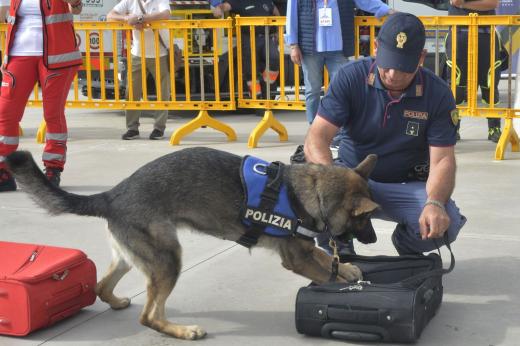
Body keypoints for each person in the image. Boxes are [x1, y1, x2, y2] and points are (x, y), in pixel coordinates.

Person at [304, 12, 467, 256]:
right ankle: (339, 246)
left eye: (403, 68)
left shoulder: (438, 94)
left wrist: (434, 203)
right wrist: (331, 182)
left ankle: (406, 244)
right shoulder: (350, 77)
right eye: (387, 63)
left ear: (421, 58)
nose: (393, 74)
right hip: (351, 179)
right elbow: (316, 138)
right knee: (311, 193)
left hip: (402, 184)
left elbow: (442, 159)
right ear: (377, 47)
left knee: (445, 224)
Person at [0, 0, 84, 192]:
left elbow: (77, 8)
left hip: (57, 58)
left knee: (52, 114)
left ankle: (53, 169)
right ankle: (4, 170)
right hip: (19, 54)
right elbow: (6, 16)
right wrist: (6, 57)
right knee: (5, 113)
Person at [285, 0, 394, 125]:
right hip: (311, 49)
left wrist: (386, 9)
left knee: (344, 88)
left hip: (337, 49)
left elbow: (365, 1)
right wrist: (293, 45)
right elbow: (291, 15)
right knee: (312, 90)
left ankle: (340, 128)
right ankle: (313, 128)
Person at [107, 0, 171, 140]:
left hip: (159, 53)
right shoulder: (130, 1)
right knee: (132, 92)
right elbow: (110, 15)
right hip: (137, 53)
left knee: (163, 92)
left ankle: (159, 128)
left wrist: (140, 18)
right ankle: (132, 128)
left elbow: (165, 14)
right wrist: (127, 18)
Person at [445, 0, 506, 143]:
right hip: (458, 33)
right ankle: (453, 128)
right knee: (456, 85)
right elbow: (455, 1)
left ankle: (494, 128)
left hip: (486, 34)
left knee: (489, 83)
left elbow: (492, 3)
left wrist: (463, 4)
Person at [212, 0, 280, 98]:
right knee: (251, 71)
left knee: (274, 58)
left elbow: (276, 13)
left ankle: (267, 86)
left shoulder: (267, 1)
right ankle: (256, 99)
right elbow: (225, 6)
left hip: (266, 37)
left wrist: (278, 31)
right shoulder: (240, 2)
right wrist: (219, 8)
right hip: (249, 39)